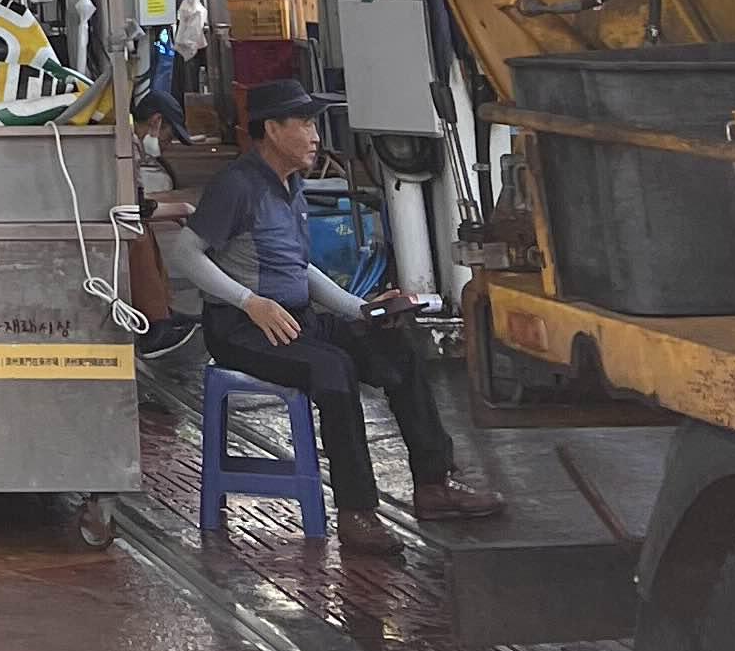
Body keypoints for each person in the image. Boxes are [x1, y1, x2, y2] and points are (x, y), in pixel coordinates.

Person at [164, 78, 505, 556]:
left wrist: (360, 308)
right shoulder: (237, 185)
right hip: (241, 328)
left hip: (296, 319)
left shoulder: (292, 185)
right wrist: (250, 302)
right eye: (304, 123)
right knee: (333, 369)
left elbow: (298, 267)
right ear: (272, 129)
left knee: (397, 348)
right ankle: (356, 512)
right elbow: (185, 254)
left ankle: (434, 484)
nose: (315, 135)